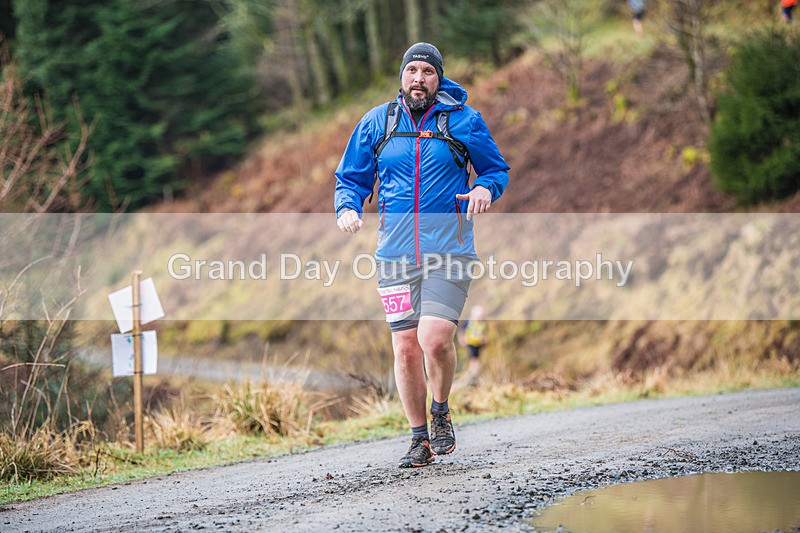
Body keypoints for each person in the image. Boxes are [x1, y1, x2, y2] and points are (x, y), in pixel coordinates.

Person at [334, 42, 509, 468]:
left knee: (434, 338)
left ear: (438, 78)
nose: (418, 78)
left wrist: (485, 188)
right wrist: (348, 206)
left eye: (427, 72)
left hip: (450, 250)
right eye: (411, 70)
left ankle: (441, 410)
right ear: (401, 76)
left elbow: (495, 169)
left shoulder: (464, 121)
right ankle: (418, 438)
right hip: (394, 255)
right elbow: (351, 177)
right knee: (406, 349)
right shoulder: (378, 122)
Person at [458, 305, 488, 386]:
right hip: (470, 343)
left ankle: (476, 374)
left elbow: (484, 331)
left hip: (479, 343)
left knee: (477, 358)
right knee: (473, 358)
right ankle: (472, 374)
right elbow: (461, 330)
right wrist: (462, 340)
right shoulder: (469, 322)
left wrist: (485, 338)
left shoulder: (482, 323)